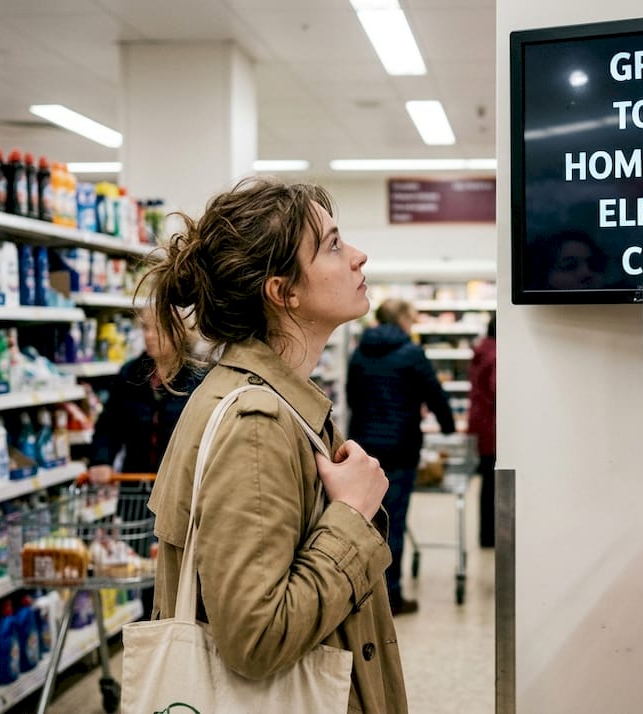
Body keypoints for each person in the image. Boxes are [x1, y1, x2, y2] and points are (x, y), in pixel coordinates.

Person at [144, 177, 407, 713]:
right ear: (282, 291)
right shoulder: (256, 420)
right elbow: (255, 638)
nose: (359, 256)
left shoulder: (272, 401)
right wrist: (354, 514)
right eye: (333, 245)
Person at [346, 298, 456, 615]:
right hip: (401, 449)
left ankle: (360, 590)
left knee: (365, 519)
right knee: (393, 519)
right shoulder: (410, 352)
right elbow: (434, 392)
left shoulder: (360, 351)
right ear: (403, 319)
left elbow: (353, 396)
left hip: (365, 448)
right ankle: (390, 595)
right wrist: (447, 427)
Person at [87, 305, 203, 483]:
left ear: (180, 332)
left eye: (158, 329)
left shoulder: (197, 378)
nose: (148, 336)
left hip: (179, 488)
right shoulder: (131, 374)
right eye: (145, 328)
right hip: (135, 486)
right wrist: (101, 460)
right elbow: (110, 424)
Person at [468, 315, 496, 548]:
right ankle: (490, 536)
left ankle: (486, 535)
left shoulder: (482, 350)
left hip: (482, 426)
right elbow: (499, 390)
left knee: (488, 484)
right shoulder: (496, 354)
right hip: (495, 428)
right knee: (494, 485)